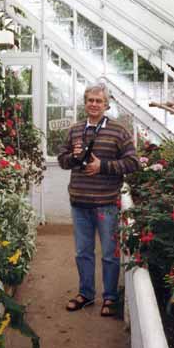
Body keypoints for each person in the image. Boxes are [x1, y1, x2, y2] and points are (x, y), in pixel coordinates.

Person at [57, 83, 140, 317]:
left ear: (106, 104)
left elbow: (133, 163)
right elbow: (62, 160)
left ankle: (110, 298)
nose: (94, 104)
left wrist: (102, 166)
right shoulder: (74, 130)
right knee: (83, 252)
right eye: (90, 100)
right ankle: (86, 294)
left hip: (106, 204)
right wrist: (74, 158)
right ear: (85, 103)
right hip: (80, 203)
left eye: (98, 101)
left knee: (109, 253)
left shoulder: (118, 131)